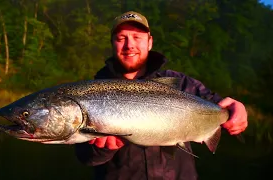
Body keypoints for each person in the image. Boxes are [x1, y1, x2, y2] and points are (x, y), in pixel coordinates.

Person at [74, 11, 248, 180]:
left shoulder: (180, 82)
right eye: (121, 38)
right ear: (112, 44)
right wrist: (102, 149)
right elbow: (86, 157)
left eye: (137, 37)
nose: (129, 45)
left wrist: (237, 108)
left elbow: (219, 105)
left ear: (150, 42)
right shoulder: (93, 93)